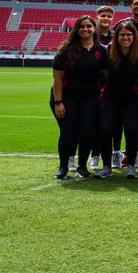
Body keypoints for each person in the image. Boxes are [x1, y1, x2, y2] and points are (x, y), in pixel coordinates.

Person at [51, 15, 108, 179]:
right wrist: (58, 102)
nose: (85, 29)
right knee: (68, 131)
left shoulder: (101, 50)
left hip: (90, 96)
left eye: (89, 26)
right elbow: (58, 79)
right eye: (82, 26)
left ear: (94, 28)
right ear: (77, 29)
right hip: (67, 95)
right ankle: (63, 166)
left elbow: (106, 74)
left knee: (87, 131)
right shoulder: (66, 50)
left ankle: (82, 166)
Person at [98, 20, 138, 178]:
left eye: (128, 34)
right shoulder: (109, 50)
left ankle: (131, 165)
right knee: (105, 129)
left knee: (132, 129)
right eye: (122, 34)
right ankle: (107, 166)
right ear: (116, 35)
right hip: (111, 98)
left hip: (132, 99)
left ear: (134, 36)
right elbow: (102, 73)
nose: (125, 37)